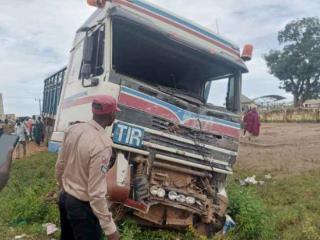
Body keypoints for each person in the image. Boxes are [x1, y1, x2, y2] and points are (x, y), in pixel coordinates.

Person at [55, 96, 121, 240]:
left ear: (93, 111)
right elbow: (96, 193)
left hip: (65, 199)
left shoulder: (73, 129)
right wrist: (110, 229)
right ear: (111, 115)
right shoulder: (102, 145)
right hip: (82, 209)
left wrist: (64, 188)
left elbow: (60, 166)